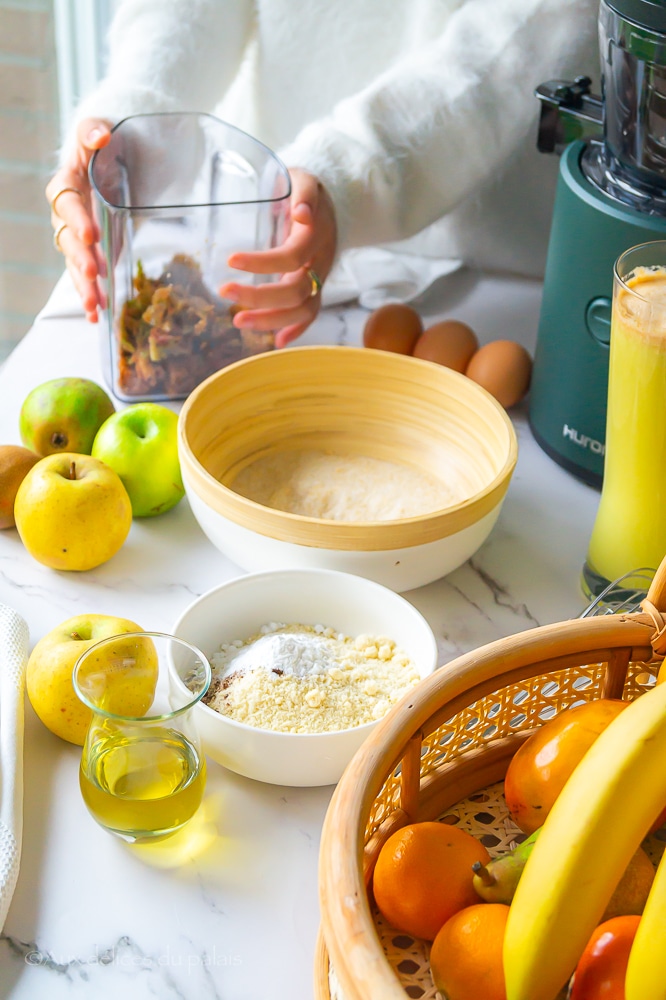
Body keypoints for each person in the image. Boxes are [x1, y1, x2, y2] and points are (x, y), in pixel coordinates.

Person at [46, 0, 599, 344]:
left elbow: (534, 25)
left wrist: (350, 175)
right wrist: (137, 126)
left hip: (497, 276)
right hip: (269, 244)